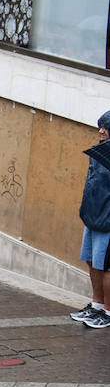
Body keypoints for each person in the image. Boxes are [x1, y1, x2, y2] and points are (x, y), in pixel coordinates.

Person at [75, 111, 110, 330]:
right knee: (91, 260)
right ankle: (97, 305)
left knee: (106, 266)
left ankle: (107, 311)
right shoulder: (99, 152)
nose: (101, 130)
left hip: (107, 221)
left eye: (106, 127)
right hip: (92, 217)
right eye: (100, 126)